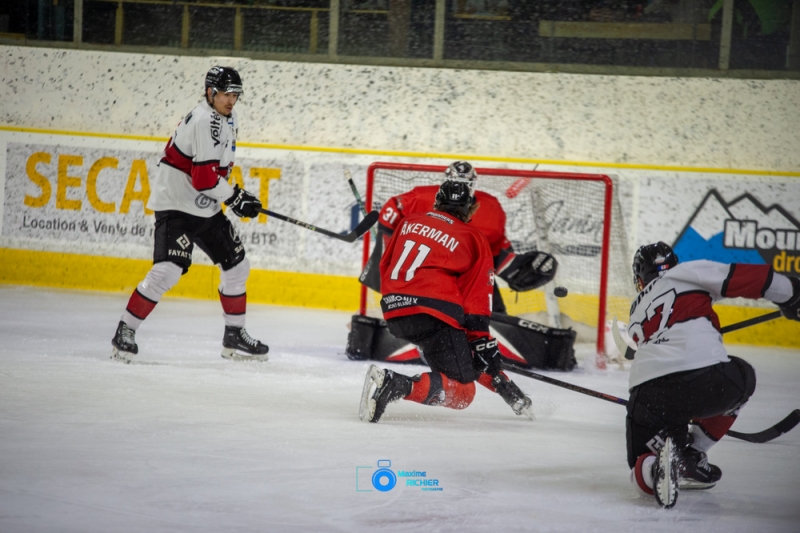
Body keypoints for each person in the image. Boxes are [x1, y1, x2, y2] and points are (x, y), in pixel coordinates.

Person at [110, 66, 268, 363]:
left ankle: (234, 334)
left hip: (205, 206)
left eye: (235, 94)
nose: (231, 100)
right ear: (210, 92)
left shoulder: (228, 117)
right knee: (167, 271)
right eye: (226, 94)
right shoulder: (204, 119)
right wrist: (235, 197)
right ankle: (125, 330)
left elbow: (214, 173)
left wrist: (235, 196)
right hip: (177, 204)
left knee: (237, 268)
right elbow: (203, 178)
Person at [625, 242, 800, 508]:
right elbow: (748, 278)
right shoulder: (687, 272)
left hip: (646, 394)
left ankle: (653, 468)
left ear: (640, 279)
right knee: (742, 376)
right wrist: (791, 293)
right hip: (703, 380)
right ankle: (692, 454)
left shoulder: (635, 309)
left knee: (640, 463)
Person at [359, 174, 534, 423]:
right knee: (463, 393)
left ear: (436, 202)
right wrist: (482, 341)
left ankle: (506, 389)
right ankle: (397, 384)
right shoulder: (474, 237)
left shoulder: (408, 222)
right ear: (471, 209)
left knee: (462, 356)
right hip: (433, 314)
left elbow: (385, 266)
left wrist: (398, 299)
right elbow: (476, 300)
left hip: (395, 312)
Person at [368, 161, 556, 314]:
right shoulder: (420, 199)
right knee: (428, 317)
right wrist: (389, 250)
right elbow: (392, 209)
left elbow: (493, 254)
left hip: (472, 278)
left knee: (496, 320)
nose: (459, 189)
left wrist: (514, 268)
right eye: (454, 182)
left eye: (465, 184)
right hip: (430, 276)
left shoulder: (491, 207)